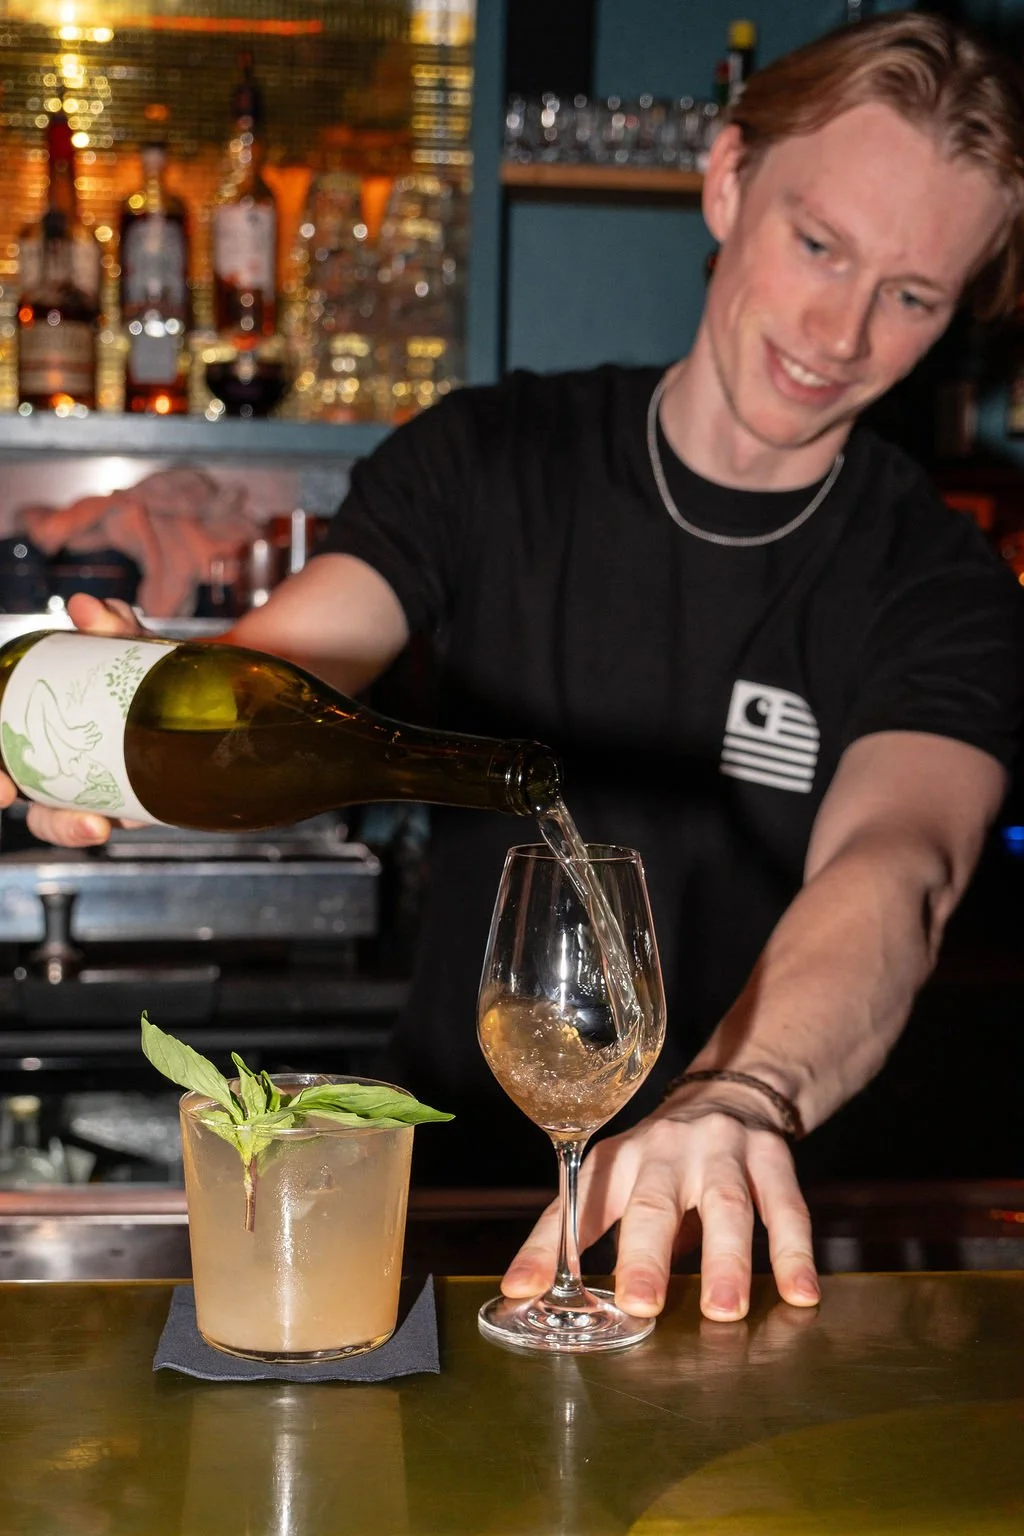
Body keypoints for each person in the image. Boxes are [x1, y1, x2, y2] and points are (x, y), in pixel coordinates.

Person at [6, 11, 1024, 1324]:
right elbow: (288, 667)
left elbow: (901, 869)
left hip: (743, 1240)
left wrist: (734, 1094)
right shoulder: (490, 459)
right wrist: (132, 725)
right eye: (817, 243)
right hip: (457, 1214)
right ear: (726, 182)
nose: (839, 331)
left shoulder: (934, 579)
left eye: (911, 296)